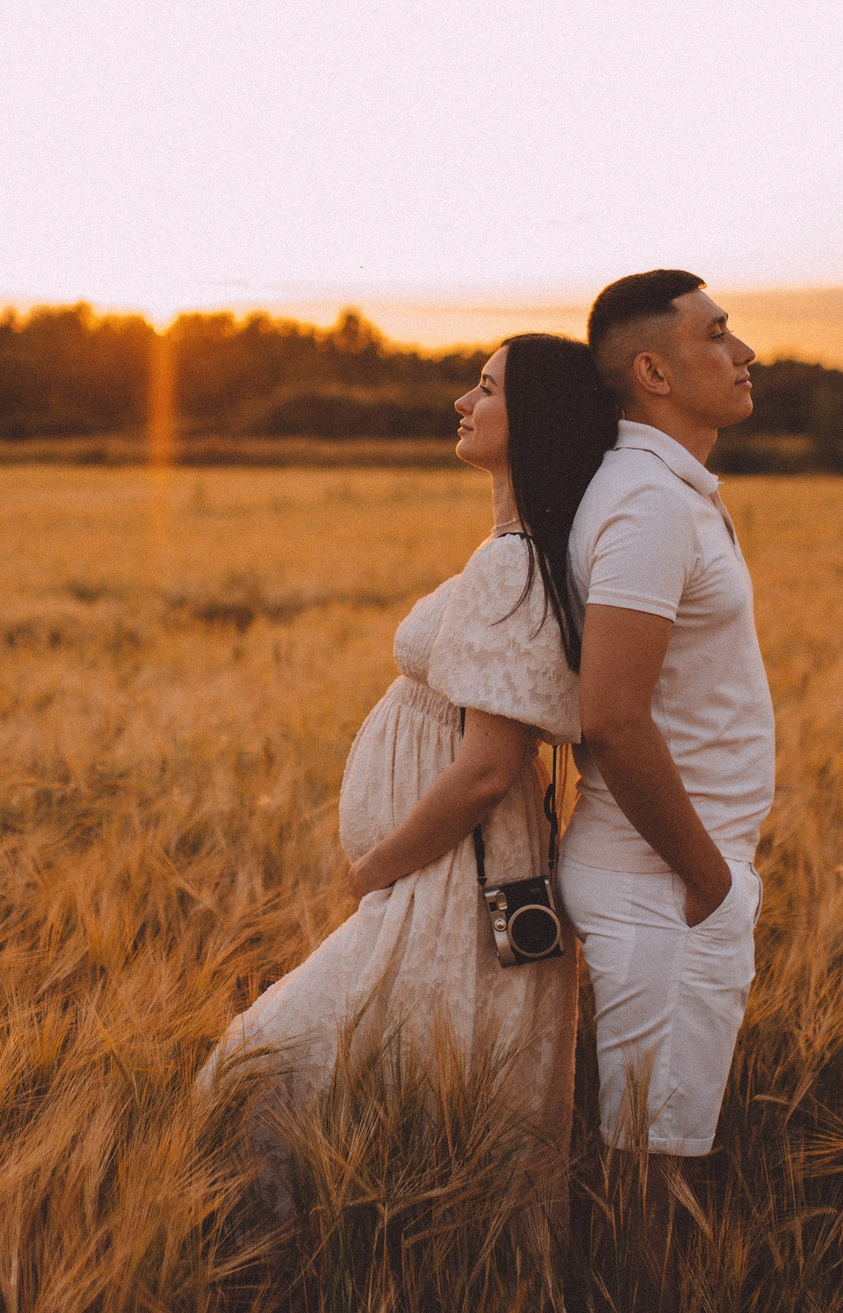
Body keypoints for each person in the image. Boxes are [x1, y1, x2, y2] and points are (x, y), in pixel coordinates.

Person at [207, 331, 618, 1226]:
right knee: (402, 1084)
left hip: (453, 877)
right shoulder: (512, 549)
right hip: (453, 870)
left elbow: (487, 770)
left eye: (486, 388)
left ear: (534, 418)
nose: (462, 403)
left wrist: (376, 867)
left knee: (257, 1064)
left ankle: (310, 1264)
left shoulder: (514, 562)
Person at [553, 270, 771, 1254]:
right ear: (653, 371)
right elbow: (612, 716)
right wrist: (707, 877)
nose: (744, 351)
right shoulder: (648, 503)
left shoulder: (665, 491)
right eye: (717, 333)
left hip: (671, 877)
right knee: (647, 1189)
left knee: (652, 1165)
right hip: (664, 885)